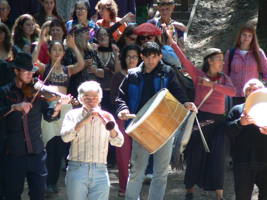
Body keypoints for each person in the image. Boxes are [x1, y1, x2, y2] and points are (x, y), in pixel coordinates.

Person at [115, 41, 196, 200]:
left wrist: (186, 102)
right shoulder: (132, 75)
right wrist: (123, 110)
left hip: (164, 127)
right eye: (147, 56)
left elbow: (178, 93)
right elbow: (120, 98)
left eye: (154, 56)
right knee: (137, 171)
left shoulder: (167, 72)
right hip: (141, 128)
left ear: (160, 56)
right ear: (141, 57)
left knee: (161, 172)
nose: (151, 60)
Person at [169, 27, 236, 199]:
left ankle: (219, 194)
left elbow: (232, 92)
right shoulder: (197, 75)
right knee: (195, 154)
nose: (222, 62)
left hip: (219, 122)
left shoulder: (223, 78)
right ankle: (189, 190)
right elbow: (184, 61)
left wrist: (212, 85)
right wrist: (172, 42)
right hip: (201, 120)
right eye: (218, 59)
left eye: (222, 59)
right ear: (209, 61)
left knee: (218, 156)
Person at [0, 52, 69, 200]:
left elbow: (49, 116)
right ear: (16, 71)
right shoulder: (4, 92)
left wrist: (58, 107)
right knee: (12, 195)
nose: (30, 75)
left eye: (32, 72)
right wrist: (14, 107)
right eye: (26, 71)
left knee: (39, 194)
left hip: (37, 152)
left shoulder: (37, 92)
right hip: (14, 154)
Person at [61, 80, 124, 200]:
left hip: (100, 170)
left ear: (100, 98)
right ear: (80, 98)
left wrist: (110, 128)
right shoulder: (72, 115)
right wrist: (84, 120)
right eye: (87, 98)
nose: (91, 102)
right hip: (77, 168)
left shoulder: (107, 116)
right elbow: (65, 137)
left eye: (95, 97)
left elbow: (119, 142)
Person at [226, 78, 267, 200]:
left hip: (265, 160)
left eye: (256, 89)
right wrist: (240, 123)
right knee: (242, 196)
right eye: (249, 89)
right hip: (243, 161)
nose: (253, 91)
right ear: (245, 94)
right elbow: (227, 132)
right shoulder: (237, 110)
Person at [110, 44, 141, 197]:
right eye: (128, 56)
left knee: (138, 155)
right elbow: (114, 99)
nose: (131, 59)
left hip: (140, 119)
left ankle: (135, 186)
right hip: (121, 118)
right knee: (123, 155)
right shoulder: (118, 76)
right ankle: (123, 186)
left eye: (134, 56)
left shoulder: (142, 75)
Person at [223, 23, 267, 106]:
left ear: (253, 38)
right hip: (234, 96)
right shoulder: (230, 53)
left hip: (253, 95)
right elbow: (224, 75)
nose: (246, 38)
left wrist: (262, 90)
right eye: (244, 35)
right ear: (239, 36)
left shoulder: (259, 53)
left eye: (249, 35)